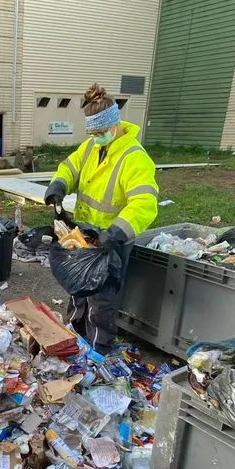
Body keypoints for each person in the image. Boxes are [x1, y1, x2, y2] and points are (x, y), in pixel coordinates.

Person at [44, 83, 158, 353]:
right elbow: (69, 168)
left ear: (114, 125)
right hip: (86, 236)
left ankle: (97, 351)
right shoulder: (91, 148)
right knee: (79, 291)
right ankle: (73, 339)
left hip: (112, 241)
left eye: (100, 133)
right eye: (92, 133)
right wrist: (58, 186)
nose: (96, 138)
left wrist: (117, 232)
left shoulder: (134, 158)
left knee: (103, 301)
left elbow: (144, 202)